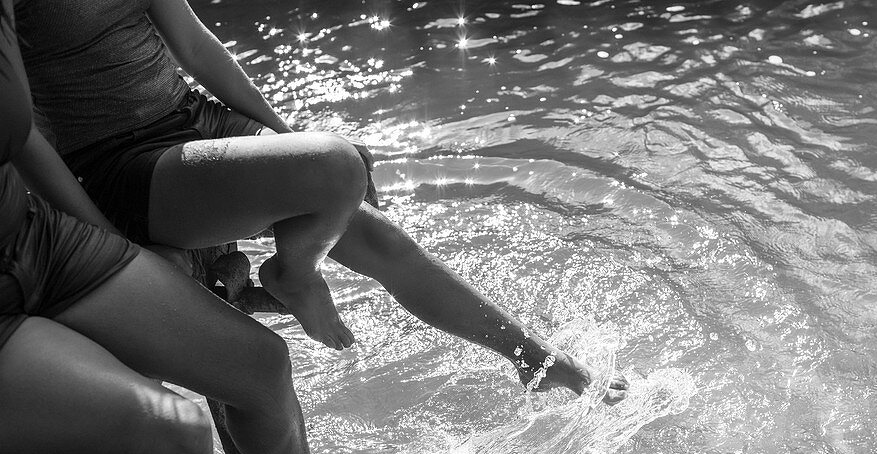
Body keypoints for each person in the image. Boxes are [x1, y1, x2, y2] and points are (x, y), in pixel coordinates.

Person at [13, 0, 629, 403]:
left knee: (363, 209)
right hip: (121, 168)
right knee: (336, 166)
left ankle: (532, 357)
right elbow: (24, 139)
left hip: (192, 121)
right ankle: (294, 273)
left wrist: (284, 140)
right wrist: (109, 246)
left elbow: (196, 50)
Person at [0, 0, 345, 454]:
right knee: (181, 435)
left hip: (36, 239)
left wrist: (105, 241)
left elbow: (21, 137)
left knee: (263, 363)